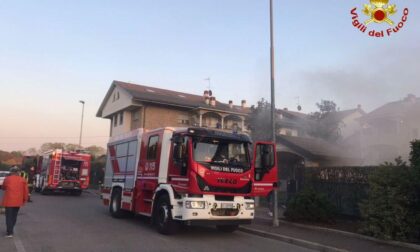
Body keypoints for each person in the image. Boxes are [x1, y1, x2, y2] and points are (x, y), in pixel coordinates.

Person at [1, 166, 29, 237]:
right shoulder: (22, 180)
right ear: (18, 172)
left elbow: (3, 187)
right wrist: (25, 200)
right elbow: (26, 191)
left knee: (9, 216)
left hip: (9, 201)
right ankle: (11, 229)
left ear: (11, 172)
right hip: (18, 201)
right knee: (14, 215)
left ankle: (10, 232)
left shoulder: (7, 179)